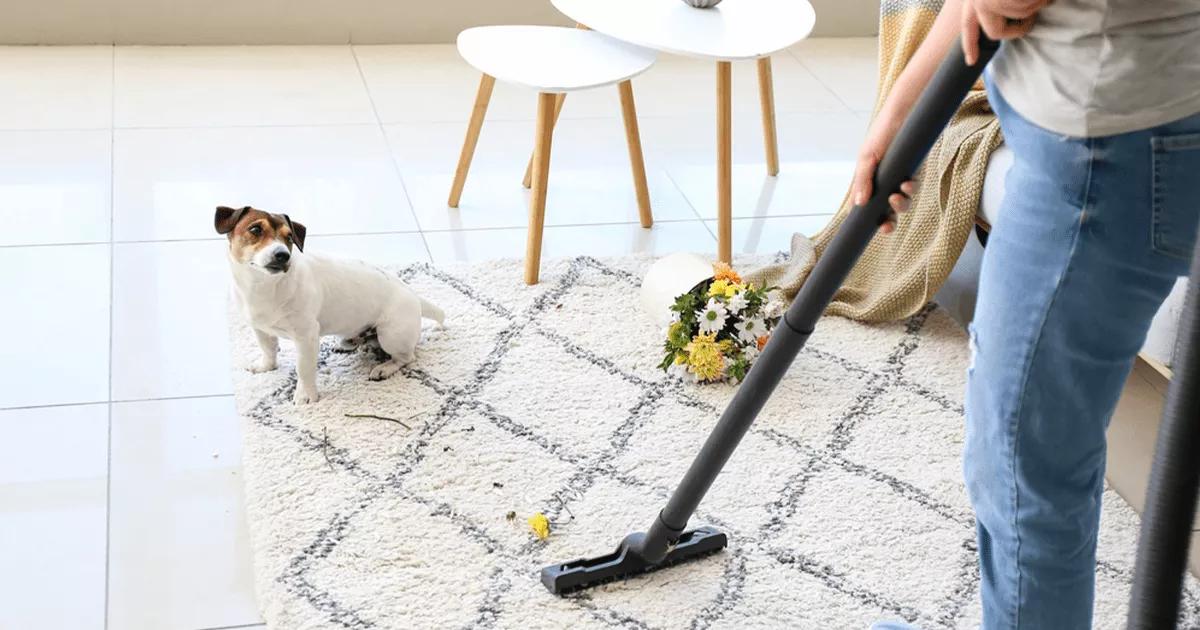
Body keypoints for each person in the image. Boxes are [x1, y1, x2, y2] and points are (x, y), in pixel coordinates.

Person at [859, 0, 1200, 627]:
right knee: (1026, 447)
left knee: (1024, 462)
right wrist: (902, 111)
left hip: (1108, 149)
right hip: (1082, 133)